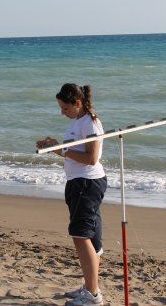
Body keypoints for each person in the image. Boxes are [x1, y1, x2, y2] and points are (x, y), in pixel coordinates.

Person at [36, 83, 107, 306]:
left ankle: (93, 295)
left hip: (87, 183)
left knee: (81, 235)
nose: (62, 112)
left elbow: (91, 158)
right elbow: (72, 154)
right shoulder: (79, 122)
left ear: (77, 103)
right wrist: (54, 147)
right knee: (89, 236)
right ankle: (89, 286)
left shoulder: (90, 122)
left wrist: (62, 149)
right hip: (79, 182)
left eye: (65, 108)